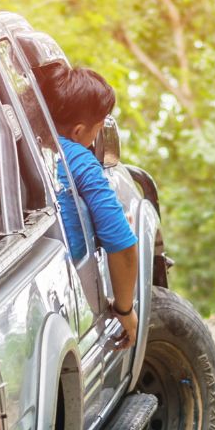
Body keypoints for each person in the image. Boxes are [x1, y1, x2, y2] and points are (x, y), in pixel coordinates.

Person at [33, 62, 140, 351]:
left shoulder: (20, 152)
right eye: (97, 131)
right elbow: (123, 246)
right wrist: (125, 311)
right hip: (67, 299)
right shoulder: (78, 160)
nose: (95, 140)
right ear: (79, 131)